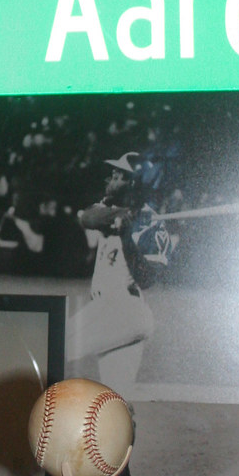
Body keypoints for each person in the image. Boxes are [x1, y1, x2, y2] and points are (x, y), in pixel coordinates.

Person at [65, 152, 169, 393]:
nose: (109, 181)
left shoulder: (151, 225)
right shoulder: (110, 211)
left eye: (118, 176)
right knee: (115, 400)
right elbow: (86, 218)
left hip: (123, 308)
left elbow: (147, 279)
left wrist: (127, 237)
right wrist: (121, 216)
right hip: (114, 314)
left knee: (49, 345)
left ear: (133, 183)